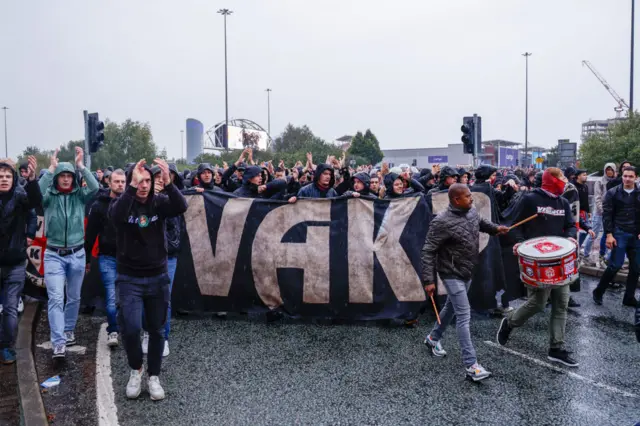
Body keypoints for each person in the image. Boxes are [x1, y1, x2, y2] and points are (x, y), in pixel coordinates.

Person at [109, 158, 187, 401]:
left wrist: (169, 183)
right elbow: (115, 216)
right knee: (131, 328)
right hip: (129, 278)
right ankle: (136, 370)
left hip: (157, 277)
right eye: (138, 181)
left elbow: (181, 206)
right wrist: (129, 188)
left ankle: (153, 376)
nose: (143, 185)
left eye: (147, 181)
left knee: (156, 329)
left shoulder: (160, 202)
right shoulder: (123, 203)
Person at [422, 184, 509, 381]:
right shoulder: (441, 221)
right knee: (464, 314)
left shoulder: (470, 211)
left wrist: (496, 229)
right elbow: (428, 250)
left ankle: (433, 338)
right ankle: (471, 365)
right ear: (456, 200)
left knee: (451, 308)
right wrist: (429, 280)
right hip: (450, 272)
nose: (471, 199)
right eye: (468, 196)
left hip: (467, 270)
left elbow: (481, 222)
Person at [496, 168, 579, 367]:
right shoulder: (529, 199)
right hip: (536, 260)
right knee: (539, 302)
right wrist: (519, 242)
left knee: (561, 303)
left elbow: (570, 225)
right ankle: (510, 322)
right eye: (559, 178)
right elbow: (514, 225)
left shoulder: (564, 202)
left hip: (558, 259)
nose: (563, 181)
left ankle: (556, 348)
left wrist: (570, 237)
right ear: (550, 180)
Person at [38, 147, 99, 358]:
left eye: (68, 176)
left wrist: (81, 166)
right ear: (57, 178)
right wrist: (50, 169)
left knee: (73, 297)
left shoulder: (79, 196)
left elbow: (95, 186)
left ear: (73, 178)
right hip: (54, 254)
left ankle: (68, 329)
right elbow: (36, 192)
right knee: (55, 298)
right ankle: (58, 342)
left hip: (77, 254)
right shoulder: (48, 197)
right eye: (61, 176)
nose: (65, 179)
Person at [0, 156, 41, 364]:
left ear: (13, 178)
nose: (4, 179)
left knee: (9, 308)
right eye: (0, 176)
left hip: (15, 261)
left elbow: (34, 204)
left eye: (8, 176)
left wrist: (32, 180)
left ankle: (7, 346)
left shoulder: (20, 195)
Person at [85, 169, 126, 348]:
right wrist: (87, 257)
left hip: (129, 259)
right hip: (107, 257)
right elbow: (91, 233)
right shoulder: (99, 205)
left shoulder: (132, 202)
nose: (120, 185)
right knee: (110, 298)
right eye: (116, 181)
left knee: (128, 298)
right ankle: (113, 330)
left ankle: (129, 329)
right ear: (109, 182)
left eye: (123, 182)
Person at [592, 166, 640, 307]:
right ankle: (598, 292)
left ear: (636, 177)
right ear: (622, 176)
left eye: (630, 176)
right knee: (615, 265)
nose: (627, 179)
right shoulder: (612, 193)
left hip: (635, 235)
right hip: (619, 233)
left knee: (636, 268)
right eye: (625, 176)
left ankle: (629, 298)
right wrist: (609, 235)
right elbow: (607, 216)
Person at [583, 163, 616, 266]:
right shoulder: (600, 181)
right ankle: (586, 255)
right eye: (607, 170)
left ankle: (604, 257)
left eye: (611, 170)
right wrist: (603, 210)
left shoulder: (615, 181)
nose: (609, 172)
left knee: (608, 234)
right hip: (599, 212)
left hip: (610, 212)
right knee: (594, 233)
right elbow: (597, 198)